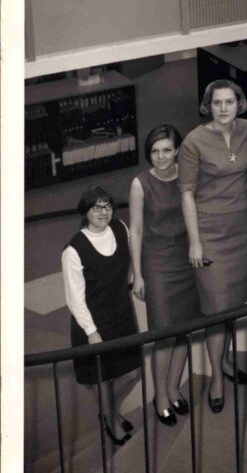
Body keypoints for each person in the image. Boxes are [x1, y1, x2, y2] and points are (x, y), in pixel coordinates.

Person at [179, 80, 247, 413]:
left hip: (242, 231)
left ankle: (222, 362)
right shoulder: (193, 141)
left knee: (232, 304)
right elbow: (186, 193)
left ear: (239, 103)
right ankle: (217, 378)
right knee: (215, 310)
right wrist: (195, 242)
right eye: (217, 102)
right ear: (208, 105)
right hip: (209, 235)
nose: (224, 108)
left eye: (230, 102)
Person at [129, 125, 201, 427]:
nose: (161, 156)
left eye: (167, 150)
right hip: (157, 265)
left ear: (177, 151)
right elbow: (136, 229)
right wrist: (138, 272)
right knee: (163, 334)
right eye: (155, 151)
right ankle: (160, 396)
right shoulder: (140, 183)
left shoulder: (186, 176)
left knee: (183, 330)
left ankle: (174, 388)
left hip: (185, 262)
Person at [62, 185, 142, 446]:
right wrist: (91, 332)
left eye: (107, 205)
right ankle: (110, 420)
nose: (103, 211)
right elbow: (74, 299)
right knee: (102, 379)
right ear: (85, 211)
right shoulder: (73, 250)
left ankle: (107, 411)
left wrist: (134, 278)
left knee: (132, 373)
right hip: (93, 323)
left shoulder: (120, 228)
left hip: (121, 314)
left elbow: (126, 262)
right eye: (96, 207)